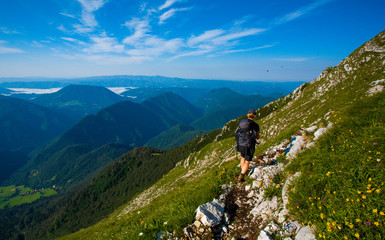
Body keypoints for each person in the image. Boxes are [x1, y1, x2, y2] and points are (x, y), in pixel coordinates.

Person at [235, 109, 260, 182]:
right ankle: (241, 176)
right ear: (254, 116)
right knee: (247, 161)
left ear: (247, 115)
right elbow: (257, 137)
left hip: (241, 144)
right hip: (249, 145)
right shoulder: (255, 125)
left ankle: (243, 172)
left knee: (242, 158)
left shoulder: (242, 122)